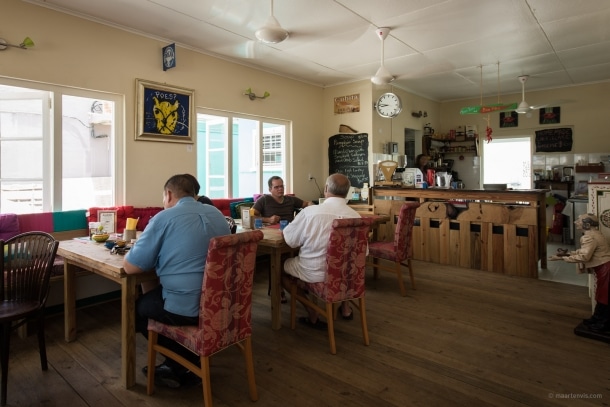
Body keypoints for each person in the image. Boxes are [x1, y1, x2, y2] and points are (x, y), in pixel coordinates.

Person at [123, 174, 231, 388]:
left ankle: (181, 364)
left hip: (187, 307)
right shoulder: (216, 214)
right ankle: (189, 357)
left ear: (169, 194)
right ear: (194, 193)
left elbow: (131, 267)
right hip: (222, 302)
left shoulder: (164, 218)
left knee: (137, 312)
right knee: (153, 297)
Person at [281, 173, 361, 329]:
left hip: (314, 272)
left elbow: (290, 241)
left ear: (326, 189)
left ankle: (312, 312)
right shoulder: (356, 217)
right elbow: (361, 254)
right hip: (346, 275)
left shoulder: (310, 213)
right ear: (347, 192)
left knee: (280, 270)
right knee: (346, 263)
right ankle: (344, 307)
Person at [549, 213, 610, 333]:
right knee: (601, 296)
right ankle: (597, 319)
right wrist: (567, 254)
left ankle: (603, 324)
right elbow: (584, 252)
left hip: (605, 270)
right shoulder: (595, 234)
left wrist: (562, 258)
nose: (575, 222)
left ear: (587, 224)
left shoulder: (589, 237)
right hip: (604, 268)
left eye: (579, 220)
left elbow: (584, 257)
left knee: (604, 298)